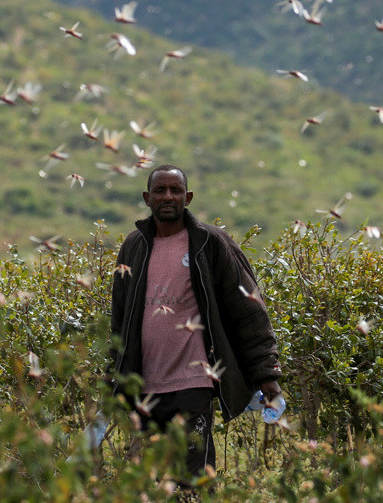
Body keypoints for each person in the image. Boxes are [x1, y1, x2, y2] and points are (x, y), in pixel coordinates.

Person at [108, 164, 282, 477]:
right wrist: (115, 375)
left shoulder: (210, 243)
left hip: (194, 382)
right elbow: (120, 318)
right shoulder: (133, 247)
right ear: (147, 198)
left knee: (192, 475)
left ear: (188, 197)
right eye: (160, 190)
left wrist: (266, 371)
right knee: (153, 477)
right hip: (145, 383)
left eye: (175, 190)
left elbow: (248, 309)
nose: (168, 196)